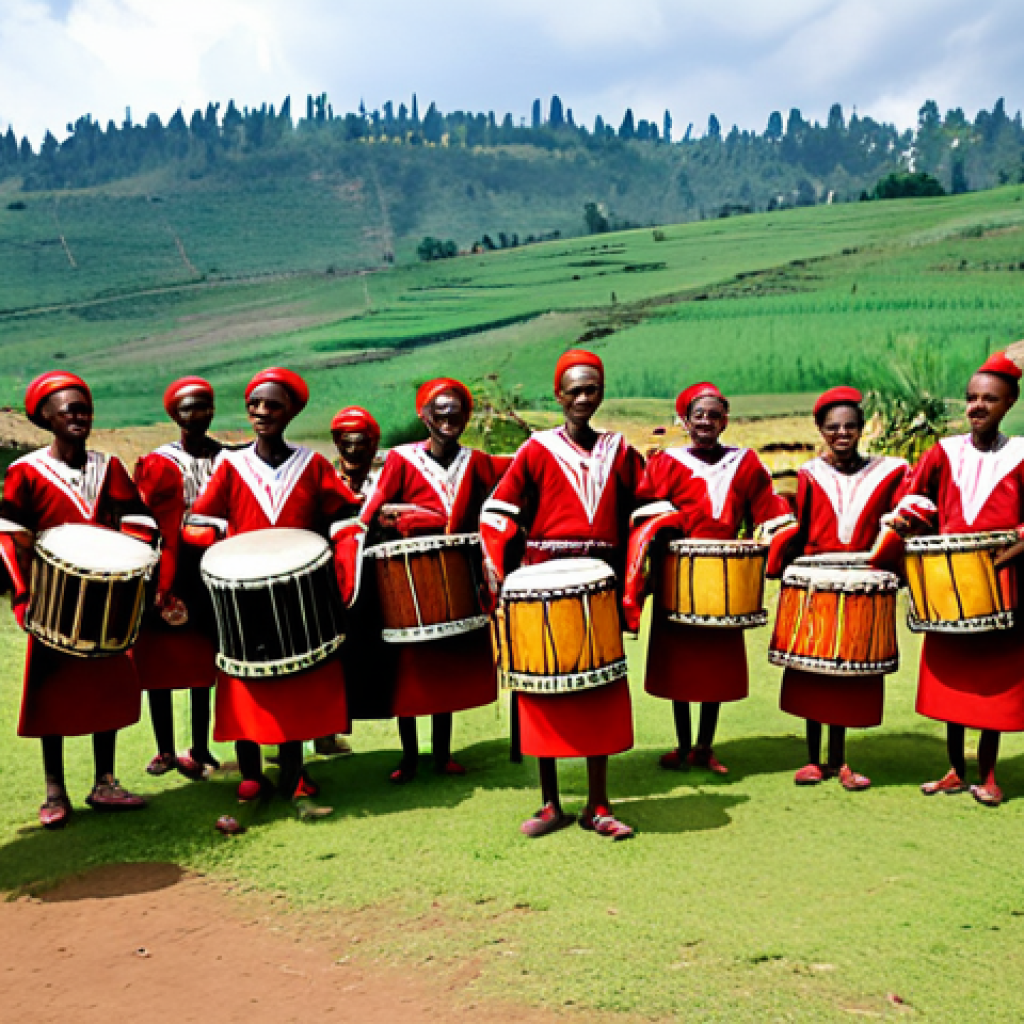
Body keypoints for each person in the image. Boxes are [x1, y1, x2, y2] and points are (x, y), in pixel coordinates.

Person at [481, 349, 642, 840]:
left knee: (598, 692)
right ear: (558, 395)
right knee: (543, 692)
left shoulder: (620, 450)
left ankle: (598, 804)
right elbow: (499, 511)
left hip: (599, 585)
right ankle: (550, 803)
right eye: (574, 390)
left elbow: (647, 507)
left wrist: (636, 572)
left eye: (591, 389)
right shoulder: (536, 449)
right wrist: (504, 577)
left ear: (602, 392)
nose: (582, 398)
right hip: (542, 586)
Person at [189, 368, 362, 818]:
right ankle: (251, 772)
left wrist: (343, 556)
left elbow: (344, 515)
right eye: (254, 405)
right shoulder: (231, 465)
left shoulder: (312, 465)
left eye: (273, 405)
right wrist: (222, 549)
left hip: (298, 593)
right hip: (243, 593)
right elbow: (200, 520)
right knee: (245, 679)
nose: (262, 412)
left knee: (295, 681)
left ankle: (294, 772)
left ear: (290, 413)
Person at [0, 371, 152, 828]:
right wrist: (23, 595)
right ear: (45, 418)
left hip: (106, 600)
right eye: (69, 411)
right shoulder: (26, 471)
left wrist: (130, 561)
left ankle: (105, 781)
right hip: (53, 604)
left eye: (85, 410)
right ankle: (55, 789)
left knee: (104, 688)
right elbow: (11, 536)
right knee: (54, 695)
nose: (79, 418)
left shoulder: (109, 467)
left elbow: (138, 520)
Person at [624, 382, 795, 775]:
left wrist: (778, 539)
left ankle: (705, 745)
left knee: (714, 668)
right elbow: (646, 508)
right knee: (680, 668)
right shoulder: (666, 462)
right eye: (698, 415)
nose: (706, 422)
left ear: (725, 421)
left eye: (714, 415)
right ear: (685, 421)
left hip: (725, 580)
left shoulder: (745, 462)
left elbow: (766, 509)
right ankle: (683, 744)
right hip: (678, 577)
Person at [890, 352, 1024, 806]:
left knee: (991, 685)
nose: (977, 406)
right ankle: (953, 770)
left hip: (1002, 587)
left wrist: (1013, 546)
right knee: (953, 685)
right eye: (971, 398)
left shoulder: (1021, 454)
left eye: (989, 399)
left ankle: (989, 775)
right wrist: (911, 522)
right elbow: (913, 498)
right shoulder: (943, 452)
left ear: (1010, 403)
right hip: (947, 588)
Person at [359, 379, 504, 783]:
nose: (447, 421)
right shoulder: (401, 459)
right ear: (423, 416)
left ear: (466, 418)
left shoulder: (476, 462)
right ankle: (409, 756)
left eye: (455, 414)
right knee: (409, 671)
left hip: (457, 580)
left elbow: (505, 494)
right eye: (439, 413)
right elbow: (371, 511)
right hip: (408, 583)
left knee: (443, 671)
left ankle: (442, 753)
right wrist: (395, 519)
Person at [778, 387, 909, 790]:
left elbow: (903, 517)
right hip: (817, 583)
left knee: (850, 674)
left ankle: (841, 758)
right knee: (813, 673)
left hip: (861, 581)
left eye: (850, 426)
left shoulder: (889, 472)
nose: (842, 434)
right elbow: (795, 528)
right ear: (820, 429)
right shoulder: (807, 475)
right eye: (833, 427)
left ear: (862, 428)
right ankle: (812, 759)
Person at [133, 377, 223, 779]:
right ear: (174, 414)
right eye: (188, 408)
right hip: (169, 567)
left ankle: (200, 746)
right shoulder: (158, 462)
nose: (197, 414)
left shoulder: (227, 458)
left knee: (203, 662)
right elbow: (145, 518)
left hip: (212, 567)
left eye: (204, 406)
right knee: (161, 661)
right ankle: (165, 749)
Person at [315, 406, 385, 755]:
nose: (354, 451)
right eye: (347, 443)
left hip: (376, 582)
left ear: (373, 446)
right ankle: (323, 731)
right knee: (327, 657)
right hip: (330, 583)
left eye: (361, 443)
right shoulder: (323, 480)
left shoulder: (385, 482)